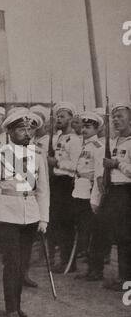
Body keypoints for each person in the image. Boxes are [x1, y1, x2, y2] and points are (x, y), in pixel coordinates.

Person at [0, 109, 49, 317]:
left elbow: (43, 189)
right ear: (9, 132)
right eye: (21, 129)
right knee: (12, 263)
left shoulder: (38, 155)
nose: (26, 133)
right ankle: (11, 307)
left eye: (29, 129)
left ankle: (17, 305)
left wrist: (44, 218)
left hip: (31, 216)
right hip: (7, 215)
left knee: (22, 263)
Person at [93, 103, 131, 290]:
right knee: (106, 230)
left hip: (126, 192)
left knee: (125, 237)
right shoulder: (114, 142)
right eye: (114, 117)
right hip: (112, 192)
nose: (116, 120)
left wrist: (117, 164)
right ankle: (99, 270)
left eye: (120, 116)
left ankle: (126, 280)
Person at [47, 102, 82, 273]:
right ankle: (60, 258)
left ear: (70, 118)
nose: (59, 119)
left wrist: (57, 162)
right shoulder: (57, 138)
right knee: (57, 222)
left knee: (66, 223)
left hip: (66, 184)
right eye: (57, 116)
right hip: (55, 183)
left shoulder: (74, 140)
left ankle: (69, 261)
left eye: (62, 116)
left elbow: (76, 165)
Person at [72, 111, 104, 280]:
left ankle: (96, 269)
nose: (84, 130)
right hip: (79, 191)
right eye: (83, 126)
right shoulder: (84, 146)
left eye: (88, 127)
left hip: (90, 194)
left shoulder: (98, 148)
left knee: (93, 233)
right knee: (84, 231)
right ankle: (90, 269)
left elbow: (98, 174)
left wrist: (96, 198)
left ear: (97, 129)